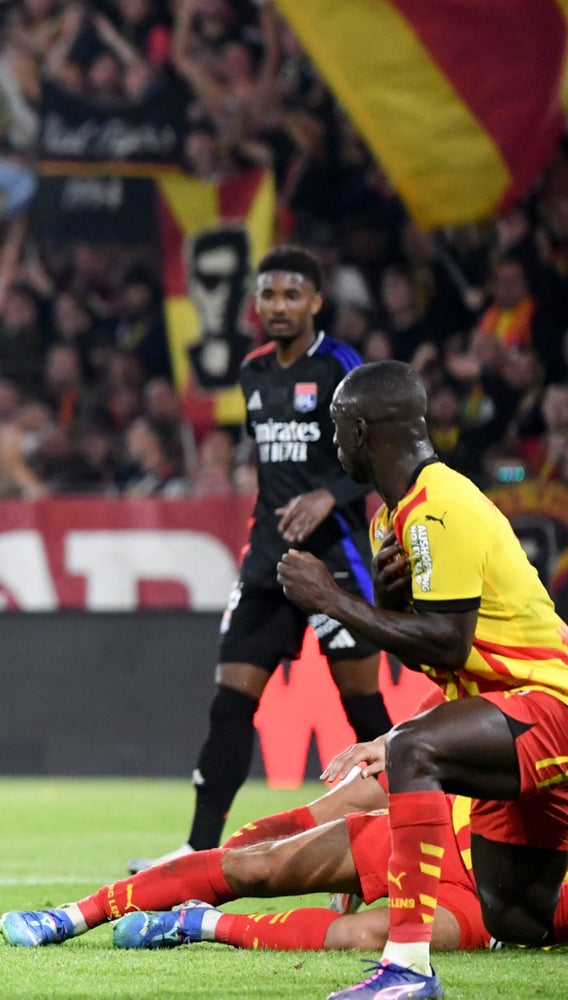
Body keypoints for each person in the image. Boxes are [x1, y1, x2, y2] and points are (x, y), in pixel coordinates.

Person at [279, 359, 568, 998]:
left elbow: (448, 639)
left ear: (359, 430)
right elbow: (439, 658)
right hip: (509, 704)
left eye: (335, 428)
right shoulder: (396, 519)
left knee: (413, 746)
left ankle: (406, 969)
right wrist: (390, 608)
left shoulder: (440, 506)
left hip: (551, 701)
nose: (332, 443)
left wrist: (332, 599)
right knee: (512, 912)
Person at [134, 246, 392, 873]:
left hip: (333, 558)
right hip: (267, 563)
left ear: (315, 302)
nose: (279, 306)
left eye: (291, 295)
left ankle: (398, 833)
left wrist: (330, 494)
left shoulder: (341, 365)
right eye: (269, 296)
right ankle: (197, 850)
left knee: (362, 709)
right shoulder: (251, 373)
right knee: (229, 703)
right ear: (256, 304)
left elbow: (384, 453)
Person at [0, 777, 491, 955]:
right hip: (447, 822)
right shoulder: (530, 698)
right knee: (261, 866)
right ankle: (72, 916)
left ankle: (200, 924)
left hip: (482, 898)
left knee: (366, 936)